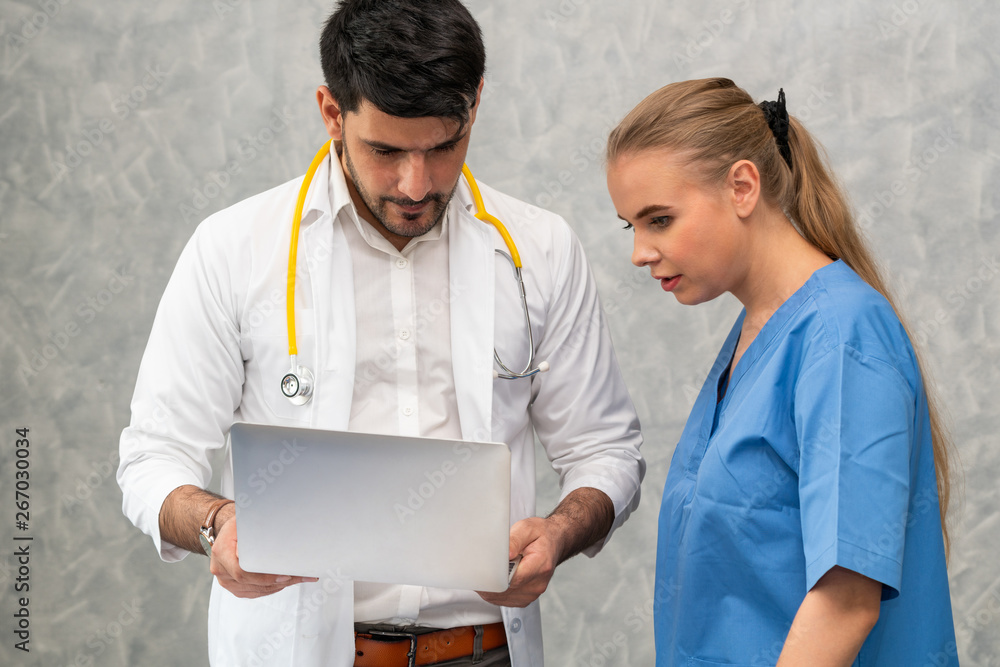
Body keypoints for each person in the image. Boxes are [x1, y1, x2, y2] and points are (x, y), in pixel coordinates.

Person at [117, 1, 645, 665]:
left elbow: (608, 449)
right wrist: (217, 523)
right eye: (386, 150)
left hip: (482, 652)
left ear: (475, 105)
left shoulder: (539, 251)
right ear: (332, 113)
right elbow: (151, 454)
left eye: (443, 146)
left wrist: (560, 532)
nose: (415, 184)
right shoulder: (233, 249)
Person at [605, 78, 957, 666]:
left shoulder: (842, 336)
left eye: (659, 220)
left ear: (743, 186)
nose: (639, 251)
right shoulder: (755, 333)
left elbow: (846, 602)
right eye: (630, 226)